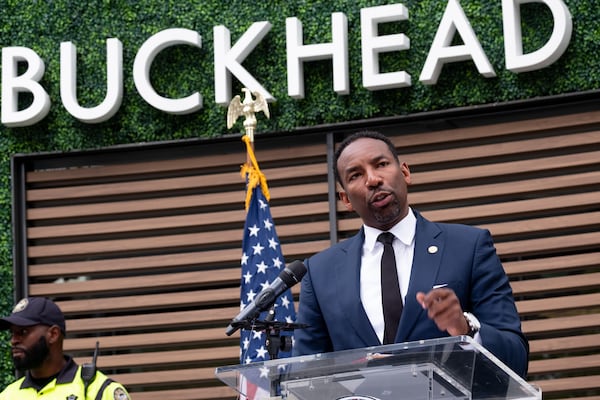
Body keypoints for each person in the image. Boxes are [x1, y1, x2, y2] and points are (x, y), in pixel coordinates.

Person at [292, 130, 529, 378]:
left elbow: (516, 358)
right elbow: (305, 374)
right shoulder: (320, 273)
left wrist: (465, 327)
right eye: (356, 175)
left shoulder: (468, 247)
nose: (372, 179)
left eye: (381, 164)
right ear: (345, 200)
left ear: (405, 173)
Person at [0, 297, 131, 400]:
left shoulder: (101, 391)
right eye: (12, 333)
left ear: (53, 334)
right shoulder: (8, 396)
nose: (13, 340)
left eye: (23, 332)